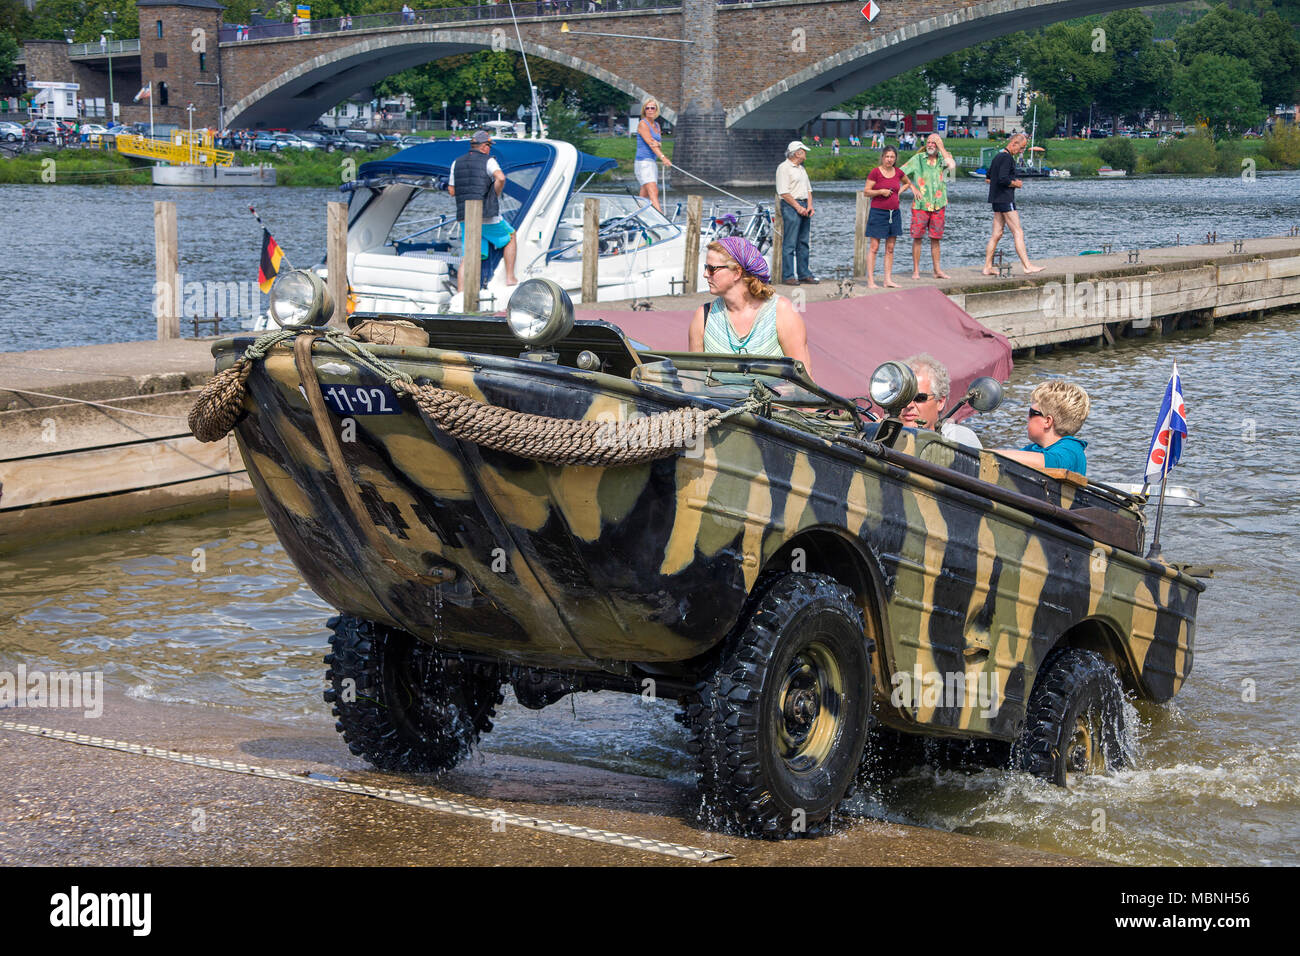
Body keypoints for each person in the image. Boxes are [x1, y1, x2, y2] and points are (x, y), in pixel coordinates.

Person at [688, 237, 812, 372]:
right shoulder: (703, 316)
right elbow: (694, 380)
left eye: (712, 269)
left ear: (737, 272)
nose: (705, 274)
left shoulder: (782, 312)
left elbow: (804, 380)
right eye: (706, 268)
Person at [448, 130, 518, 292]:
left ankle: (461, 293)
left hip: (465, 215)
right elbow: (500, 178)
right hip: (486, 214)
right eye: (489, 146)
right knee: (511, 236)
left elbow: (452, 191)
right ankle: (510, 277)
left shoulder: (456, 162)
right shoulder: (489, 161)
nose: (490, 149)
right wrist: (496, 193)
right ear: (485, 147)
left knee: (469, 256)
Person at [996, 380, 1090, 475]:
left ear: (1047, 421)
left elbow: (1049, 462)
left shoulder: (1072, 449)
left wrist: (989, 455)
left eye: (1031, 413)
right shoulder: (1034, 448)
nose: (1027, 417)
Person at [983, 132, 1044, 276]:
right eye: (1021, 148)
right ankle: (1027, 265)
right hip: (1005, 199)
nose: (1021, 151)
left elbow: (988, 177)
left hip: (996, 199)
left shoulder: (998, 156)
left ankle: (987, 267)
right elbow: (1003, 179)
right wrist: (1016, 184)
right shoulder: (1007, 158)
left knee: (997, 234)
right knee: (1018, 232)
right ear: (1013, 144)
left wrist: (999, 183)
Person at [899, 134, 956, 280]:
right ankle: (916, 271)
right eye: (929, 142)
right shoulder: (918, 159)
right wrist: (912, 187)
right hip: (921, 205)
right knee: (917, 237)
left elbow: (952, 169)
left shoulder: (944, 159)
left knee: (936, 238)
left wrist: (942, 147)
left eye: (934, 143)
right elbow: (900, 173)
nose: (931, 145)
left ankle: (937, 270)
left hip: (939, 204)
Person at [899, 354, 981, 449]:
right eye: (903, 397)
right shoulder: (883, 433)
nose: (909, 405)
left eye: (919, 398)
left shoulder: (959, 437)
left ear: (940, 402)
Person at [862, 145, 912, 289]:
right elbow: (866, 192)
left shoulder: (898, 172)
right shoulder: (875, 172)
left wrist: (898, 193)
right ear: (883, 157)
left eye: (892, 157)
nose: (889, 159)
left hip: (894, 213)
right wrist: (880, 191)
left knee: (890, 248)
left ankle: (887, 280)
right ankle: (871, 280)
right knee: (874, 247)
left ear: (895, 159)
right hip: (878, 213)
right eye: (887, 157)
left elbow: (907, 183)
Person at [775, 140, 818, 286]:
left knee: (803, 242)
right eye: (803, 151)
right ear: (797, 153)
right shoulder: (784, 168)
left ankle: (804, 273)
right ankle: (788, 275)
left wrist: (810, 206)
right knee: (790, 242)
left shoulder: (801, 169)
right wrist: (797, 207)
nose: (805, 154)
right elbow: (784, 192)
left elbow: (809, 189)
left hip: (804, 204)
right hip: (791, 206)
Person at [634, 98, 670, 213]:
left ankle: (637, 215)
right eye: (647, 108)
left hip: (651, 162)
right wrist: (663, 158)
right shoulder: (642, 124)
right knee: (653, 191)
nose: (650, 110)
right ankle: (661, 218)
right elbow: (651, 144)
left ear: (656, 110)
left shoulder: (657, 125)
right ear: (644, 110)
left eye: (652, 108)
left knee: (644, 193)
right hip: (643, 162)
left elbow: (658, 143)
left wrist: (658, 143)